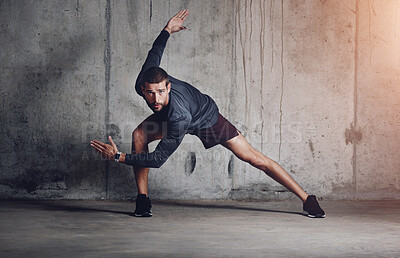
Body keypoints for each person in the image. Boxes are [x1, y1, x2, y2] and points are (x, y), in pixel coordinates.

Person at [90, 10, 325, 218]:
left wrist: (118, 156)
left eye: (161, 92)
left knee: (253, 158)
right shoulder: (146, 82)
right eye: (150, 94)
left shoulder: (178, 115)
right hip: (173, 115)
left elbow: (158, 160)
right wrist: (166, 30)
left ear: (168, 86)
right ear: (143, 88)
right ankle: (143, 200)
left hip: (206, 119)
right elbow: (156, 52)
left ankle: (307, 198)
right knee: (139, 135)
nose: (155, 99)